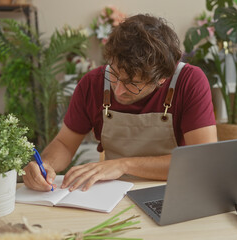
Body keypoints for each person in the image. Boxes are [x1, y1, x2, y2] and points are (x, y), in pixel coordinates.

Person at [23, 14, 217, 192]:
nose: (118, 90)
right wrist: (46, 165)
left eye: (133, 84)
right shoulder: (92, 83)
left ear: (162, 79)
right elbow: (64, 144)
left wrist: (123, 165)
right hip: (114, 193)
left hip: (174, 190)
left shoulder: (189, 81)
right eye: (114, 74)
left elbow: (201, 161)